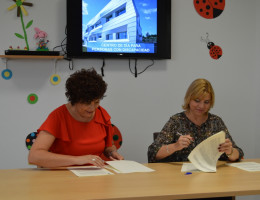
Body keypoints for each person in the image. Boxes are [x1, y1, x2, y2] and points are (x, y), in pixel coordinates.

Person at [28, 68, 124, 168]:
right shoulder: (58, 116)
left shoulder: (101, 113)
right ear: (75, 100)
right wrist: (79, 160)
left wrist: (112, 152)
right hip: (64, 175)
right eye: (87, 103)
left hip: (96, 173)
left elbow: (108, 146)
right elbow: (34, 156)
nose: (92, 108)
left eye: (96, 102)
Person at [148, 78, 244, 163]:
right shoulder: (176, 121)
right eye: (197, 101)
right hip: (181, 177)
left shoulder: (216, 121)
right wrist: (176, 146)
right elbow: (153, 152)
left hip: (211, 176)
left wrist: (230, 151)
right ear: (189, 99)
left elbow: (238, 153)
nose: (201, 106)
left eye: (206, 102)